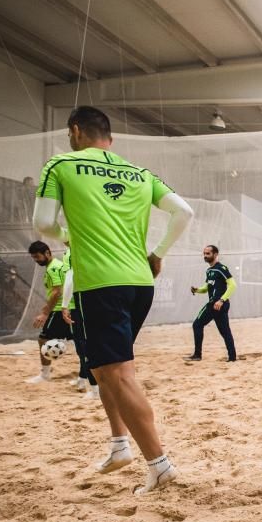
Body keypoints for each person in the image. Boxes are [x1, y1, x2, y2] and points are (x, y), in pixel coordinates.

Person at [33, 105, 194, 494]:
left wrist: (67, 236)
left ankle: (160, 465)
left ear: (75, 131)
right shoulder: (140, 173)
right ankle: (120, 445)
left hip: (99, 284)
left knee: (119, 374)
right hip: (139, 283)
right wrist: (157, 253)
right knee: (105, 369)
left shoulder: (61, 165)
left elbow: (42, 224)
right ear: (111, 140)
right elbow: (184, 212)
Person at [25, 241, 74, 384]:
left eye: (37, 257)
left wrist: (45, 312)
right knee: (79, 342)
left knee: (43, 339)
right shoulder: (58, 265)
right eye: (33, 257)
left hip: (60, 310)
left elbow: (57, 292)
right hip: (68, 308)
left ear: (47, 253)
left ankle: (45, 375)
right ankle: (86, 375)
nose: (36, 260)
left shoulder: (53, 268)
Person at [58, 250, 99, 398]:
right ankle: (82, 379)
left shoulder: (72, 252)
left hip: (80, 305)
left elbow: (70, 278)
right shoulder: (88, 247)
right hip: (93, 302)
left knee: (84, 347)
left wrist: (65, 305)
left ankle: (95, 390)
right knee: (85, 346)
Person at [188, 245, 237, 362]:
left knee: (197, 325)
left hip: (217, 303)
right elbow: (206, 288)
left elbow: (233, 285)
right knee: (225, 331)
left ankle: (197, 355)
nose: (205, 256)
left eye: (208, 253)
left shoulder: (221, 268)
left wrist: (221, 300)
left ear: (215, 254)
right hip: (217, 305)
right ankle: (232, 357)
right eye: (204, 253)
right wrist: (197, 290)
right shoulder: (209, 271)